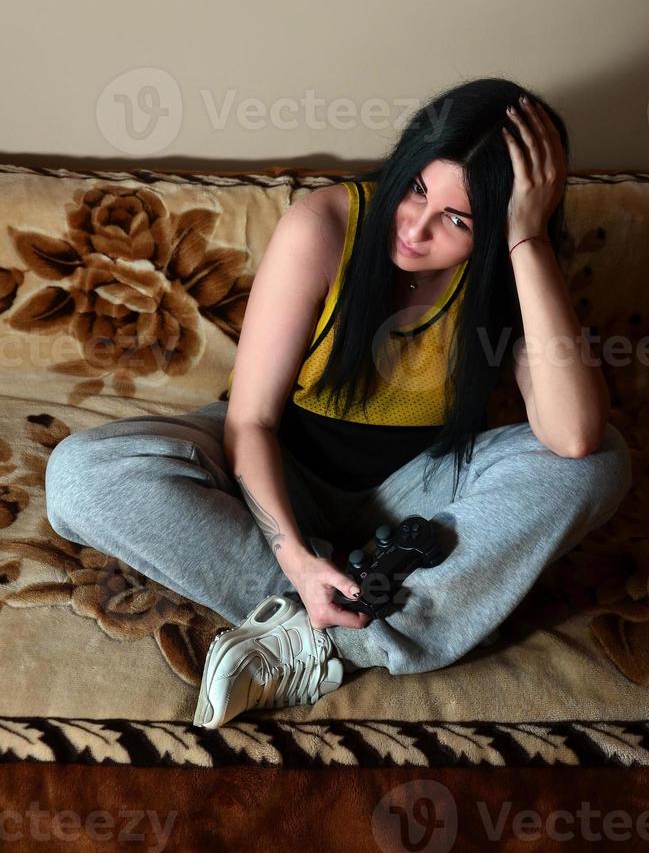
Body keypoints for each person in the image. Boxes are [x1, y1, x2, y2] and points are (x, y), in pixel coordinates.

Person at [44, 78, 633, 730]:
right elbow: (252, 421)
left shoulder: (508, 267)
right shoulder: (327, 225)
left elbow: (574, 435)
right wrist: (296, 559)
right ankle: (338, 608)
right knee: (83, 476)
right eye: (414, 188)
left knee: (599, 461)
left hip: (423, 493)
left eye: (457, 220)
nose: (413, 227)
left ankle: (325, 642)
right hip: (280, 472)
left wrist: (527, 241)